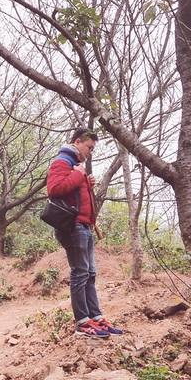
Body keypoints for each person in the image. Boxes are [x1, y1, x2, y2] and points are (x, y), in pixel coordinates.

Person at [46, 129, 124, 339]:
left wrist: (84, 183)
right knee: (80, 273)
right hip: (73, 227)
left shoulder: (75, 165)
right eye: (89, 147)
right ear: (78, 142)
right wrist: (78, 176)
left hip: (84, 226)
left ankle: (96, 318)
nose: (90, 152)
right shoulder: (62, 162)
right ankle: (82, 322)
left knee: (89, 273)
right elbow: (53, 189)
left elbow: (72, 190)